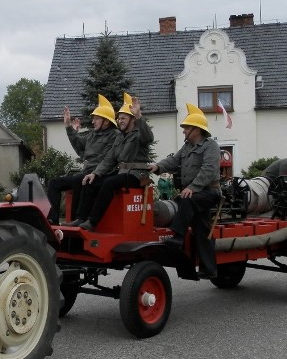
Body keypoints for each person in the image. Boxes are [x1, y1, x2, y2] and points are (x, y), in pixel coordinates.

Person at [148, 103, 221, 279]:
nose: (183, 131)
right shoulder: (187, 147)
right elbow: (173, 161)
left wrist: (192, 188)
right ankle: (208, 269)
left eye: (186, 127)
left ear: (196, 129)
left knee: (186, 201)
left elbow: (208, 170)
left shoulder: (211, 146)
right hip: (194, 194)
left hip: (209, 192)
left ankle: (178, 237)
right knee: (202, 229)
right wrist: (157, 166)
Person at [75, 92, 154, 231]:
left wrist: (138, 116)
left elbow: (149, 137)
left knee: (109, 183)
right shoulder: (120, 137)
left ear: (132, 120)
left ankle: (92, 222)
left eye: (123, 118)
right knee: (91, 182)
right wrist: (95, 173)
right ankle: (81, 218)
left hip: (138, 175)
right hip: (123, 173)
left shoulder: (139, 134)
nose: (120, 121)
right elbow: (109, 159)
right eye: (119, 119)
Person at [46, 94, 118, 225]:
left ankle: (77, 220)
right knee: (54, 183)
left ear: (106, 122)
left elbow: (108, 159)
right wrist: (68, 126)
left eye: (96, 119)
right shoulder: (92, 135)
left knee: (79, 179)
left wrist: (93, 171)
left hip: (100, 174)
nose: (92, 121)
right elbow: (78, 145)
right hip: (86, 172)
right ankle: (53, 219)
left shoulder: (115, 136)